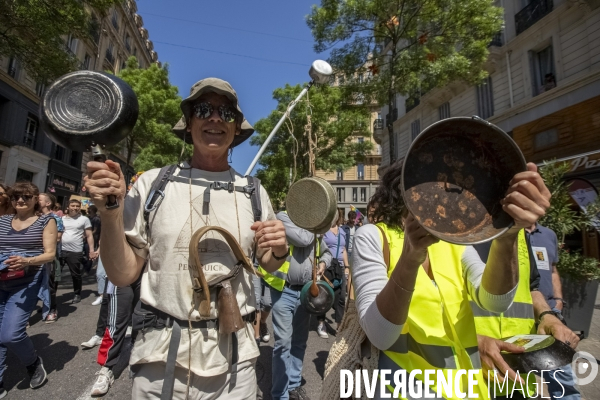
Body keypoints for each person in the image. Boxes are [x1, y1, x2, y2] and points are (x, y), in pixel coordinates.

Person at [85, 77, 288, 399]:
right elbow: (122, 274)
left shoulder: (254, 191)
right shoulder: (153, 184)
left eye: (227, 113)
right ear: (189, 123)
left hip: (236, 360)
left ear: (236, 129)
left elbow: (269, 264)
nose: (215, 118)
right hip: (161, 356)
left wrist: (279, 248)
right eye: (204, 109)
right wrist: (110, 213)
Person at [350, 160, 551, 398]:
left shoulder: (453, 243)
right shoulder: (373, 236)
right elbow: (380, 335)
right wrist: (410, 258)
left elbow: (495, 301)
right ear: (404, 189)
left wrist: (507, 235)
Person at [258, 211, 332, 400]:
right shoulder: (282, 217)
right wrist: (318, 226)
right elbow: (303, 238)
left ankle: (293, 385)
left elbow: (326, 252)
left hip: (306, 293)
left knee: (299, 341)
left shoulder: (313, 226)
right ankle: (279, 394)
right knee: (283, 343)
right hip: (284, 290)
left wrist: (323, 262)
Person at [0, 182, 57, 397]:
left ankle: (33, 362)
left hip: (26, 281)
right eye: (15, 197)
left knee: (10, 335)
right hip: (1, 279)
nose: (20, 201)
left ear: (35, 199)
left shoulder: (46, 220)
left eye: (25, 196)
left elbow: (50, 254)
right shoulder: (3, 220)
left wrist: (27, 260)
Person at [526, 222, 581, 399]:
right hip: (520, 312)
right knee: (520, 371)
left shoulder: (549, 234)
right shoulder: (509, 232)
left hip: (550, 310)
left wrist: (558, 300)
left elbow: (553, 270)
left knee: (561, 373)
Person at [317, 210, 348, 339]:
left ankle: (339, 326)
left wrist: (347, 267)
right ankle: (321, 323)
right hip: (327, 267)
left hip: (339, 268)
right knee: (324, 297)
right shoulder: (323, 230)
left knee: (341, 298)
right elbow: (318, 246)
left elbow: (343, 250)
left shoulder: (342, 231)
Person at [60, 199, 96, 303]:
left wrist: (91, 250)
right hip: (61, 250)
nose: (75, 208)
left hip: (75, 251)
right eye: (73, 206)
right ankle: (50, 297)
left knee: (75, 274)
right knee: (56, 274)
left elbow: (89, 235)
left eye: (77, 206)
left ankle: (77, 293)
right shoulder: (61, 219)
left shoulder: (84, 219)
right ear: (68, 207)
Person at [37, 193, 64, 323]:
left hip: (50, 257)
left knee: (50, 284)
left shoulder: (55, 218)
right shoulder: (33, 217)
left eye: (39, 199)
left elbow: (57, 238)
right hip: (34, 256)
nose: (36, 200)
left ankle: (52, 309)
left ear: (48, 203)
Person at [88, 205, 104, 305]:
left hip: (120, 252)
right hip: (105, 250)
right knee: (100, 274)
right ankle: (101, 295)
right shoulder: (105, 223)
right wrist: (98, 250)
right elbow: (103, 239)